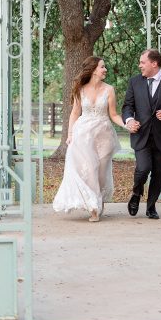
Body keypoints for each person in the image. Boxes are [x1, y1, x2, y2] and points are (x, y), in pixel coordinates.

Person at [53, 57, 126, 221]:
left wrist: (126, 125)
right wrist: (70, 134)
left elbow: (113, 114)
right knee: (90, 170)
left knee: (101, 173)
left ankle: (98, 200)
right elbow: (74, 113)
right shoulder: (81, 89)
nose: (105, 69)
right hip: (83, 135)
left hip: (104, 135)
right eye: (102, 67)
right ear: (93, 69)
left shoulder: (109, 89)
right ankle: (94, 207)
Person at [121, 49, 161, 220]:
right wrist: (128, 121)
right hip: (141, 135)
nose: (140, 65)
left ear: (154, 63)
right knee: (143, 169)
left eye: (143, 62)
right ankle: (136, 193)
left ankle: (151, 207)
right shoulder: (135, 82)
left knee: (159, 173)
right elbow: (127, 106)